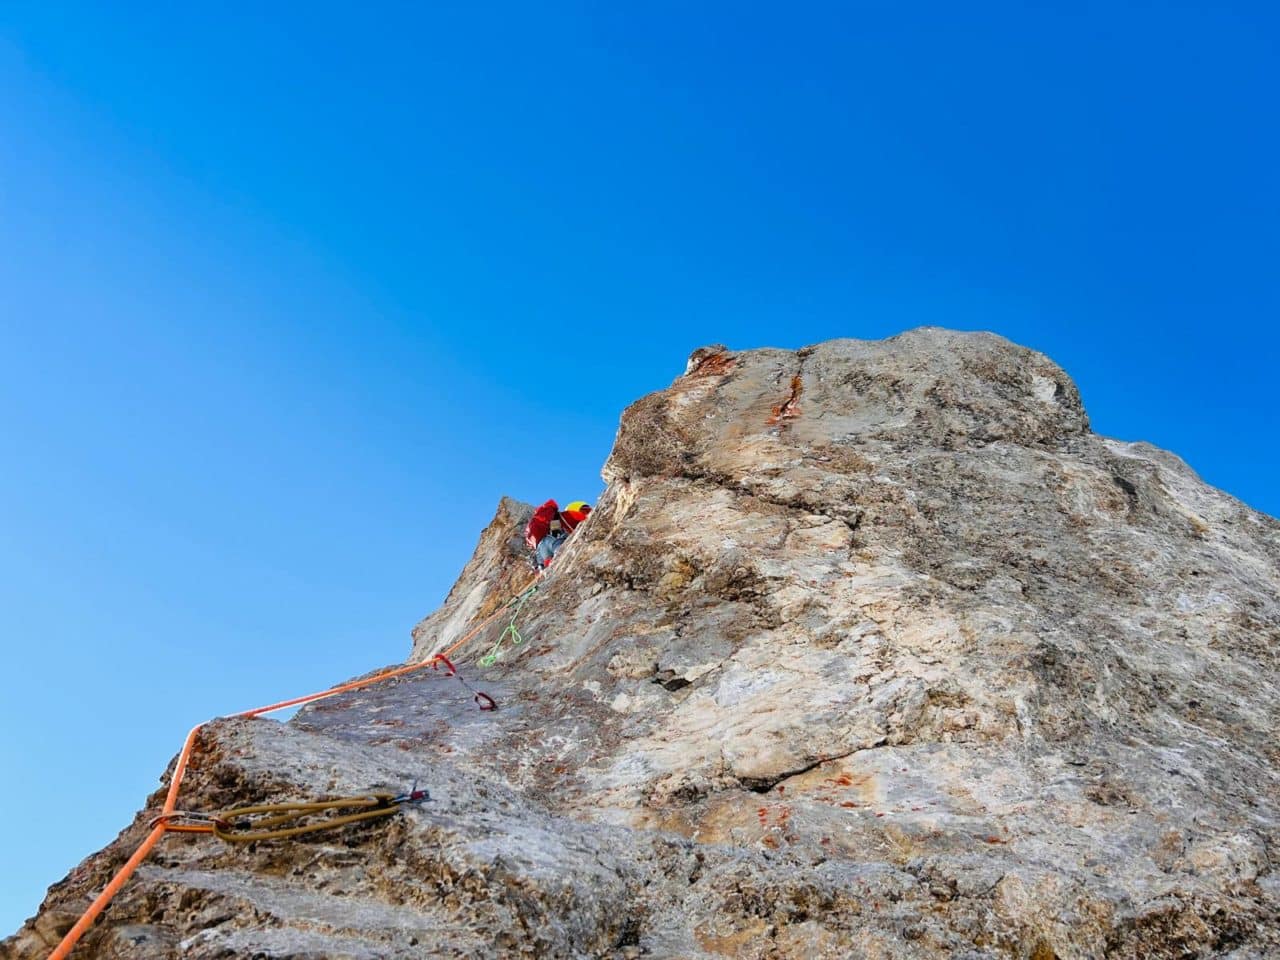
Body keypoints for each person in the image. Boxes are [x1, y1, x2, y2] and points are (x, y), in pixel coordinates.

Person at [524, 499, 592, 568]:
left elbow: (555, 534)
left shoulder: (553, 521)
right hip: (556, 545)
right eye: (584, 511)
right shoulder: (566, 516)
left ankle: (543, 567)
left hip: (543, 549)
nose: (587, 512)